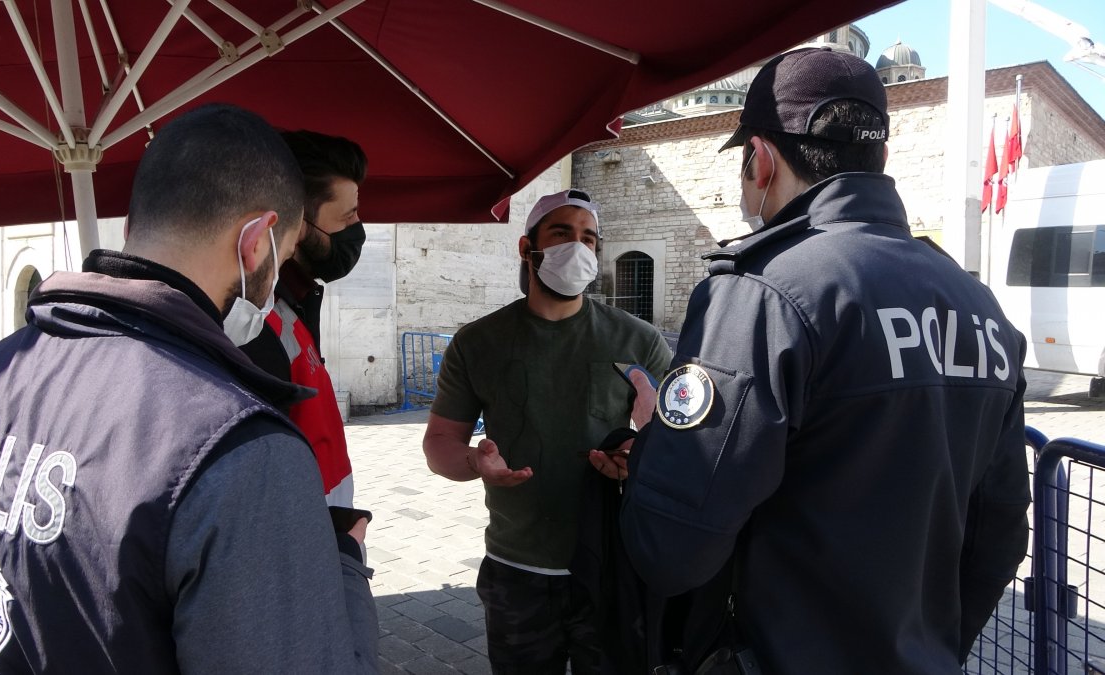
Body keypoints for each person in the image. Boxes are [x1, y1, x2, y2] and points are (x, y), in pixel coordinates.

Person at [0, 104, 378, 674]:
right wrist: (346, 564)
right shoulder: (242, 451)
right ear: (257, 243)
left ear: (132, 230)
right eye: (281, 254)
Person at [617, 47, 1031, 674]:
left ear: (759, 159)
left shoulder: (762, 291)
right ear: (881, 159)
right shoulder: (979, 305)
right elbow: (1000, 533)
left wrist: (653, 440)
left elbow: (672, 547)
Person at [422, 189, 673, 674]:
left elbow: (677, 447)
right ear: (527, 247)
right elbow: (439, 444)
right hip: (518, 570)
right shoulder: (478, 343)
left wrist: (639, 455)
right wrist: (475, 462)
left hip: (610, 562)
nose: (577, 247)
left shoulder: (637, 340)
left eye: (588, 238)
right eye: (561, 233)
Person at [240, 129, 367, 507]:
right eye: (347, 217)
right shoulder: (252, 327)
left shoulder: (292, 304)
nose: (358, 228)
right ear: (295, 222)